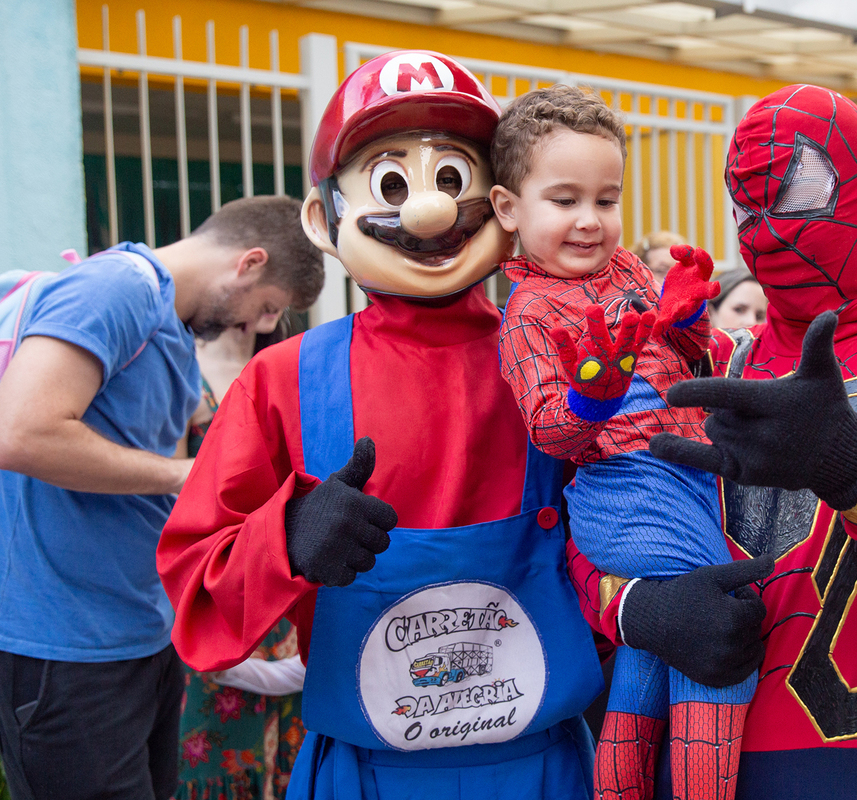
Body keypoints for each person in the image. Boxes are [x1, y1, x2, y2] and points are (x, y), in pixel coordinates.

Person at [157, 51, 764, 800]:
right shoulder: (283, 382)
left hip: (549, 769)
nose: (429, 211)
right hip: (367, 776)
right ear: (324, 218)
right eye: (390, 181)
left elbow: (640, 503)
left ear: (503, 203)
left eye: (452, 178)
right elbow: (196, 595)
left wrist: (650, 605)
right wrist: (283, 537)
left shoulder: (571, 358)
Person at [568, 84, 857, 799]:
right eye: (748, 203)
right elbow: (595, 511)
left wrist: (854, 463)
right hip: (665, 739)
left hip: (830, 763)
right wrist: (636, 609)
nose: (767, 226)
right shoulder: (715, 361)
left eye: (796, 192)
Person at [0, 195, 324, 800]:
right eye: (267, 307)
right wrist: (180, 475)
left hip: (136, 634)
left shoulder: (168, 329)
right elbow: (20, 432)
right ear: (248, 263)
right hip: (66, 645)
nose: (256, 327)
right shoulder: (114, 288)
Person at [491, 85, 756, 800]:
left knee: (645, 664)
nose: (589, 221)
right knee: (723, 647)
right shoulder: (527, 312)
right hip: (624, 490)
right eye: (565, 200)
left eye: (605, 201)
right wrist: (594, 394)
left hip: (686, 479)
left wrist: (689, 314)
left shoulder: (631, 273)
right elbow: (550, 427)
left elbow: (684, 361)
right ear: (508, 209)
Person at [176, 314, 308, 800]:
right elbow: (173, 511)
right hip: (221, 587)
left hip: (286, 582)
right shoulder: (185, 378)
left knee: (293, 754)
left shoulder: (294, 370)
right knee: (218, 752)